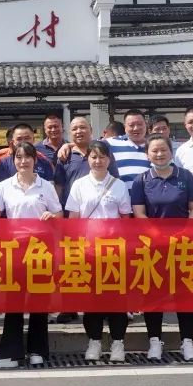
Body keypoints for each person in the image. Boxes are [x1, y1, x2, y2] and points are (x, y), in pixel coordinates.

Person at [0, 142, 62, 369]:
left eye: (28, 157)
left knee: (39, 301)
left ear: (35, 160)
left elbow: (59, 213)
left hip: (40, 249)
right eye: (19, 157)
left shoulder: (45, 186)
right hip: (14, 250)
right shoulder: (4, 186)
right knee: (13, 302)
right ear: (13, 160)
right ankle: (12, 352)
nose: (23, 161)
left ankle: (38, 351)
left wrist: (51, 216)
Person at [130, 134, 193, 362]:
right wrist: (158, 236)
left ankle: (187, 341)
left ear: (171, 152)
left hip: (183, 245)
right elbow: (139, 213)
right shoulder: (141, 180)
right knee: (154, 294)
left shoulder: (186, 177)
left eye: (163, 150)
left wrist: (183, 234)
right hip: (153, 247)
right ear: (147, 154)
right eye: (154, 151)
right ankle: (154, 341)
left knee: (185, 293)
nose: (159, 154)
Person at [65, 140, 132, 362]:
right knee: (91, 300)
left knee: (116, 299)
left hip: (114, 251)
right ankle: (94, 341)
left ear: (109, 160)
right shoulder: (79, 185)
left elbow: (125, 218)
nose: (98, 161)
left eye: (102, 157)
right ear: (88, 159)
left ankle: (118, 343)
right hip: (88, 251)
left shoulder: (119, 185)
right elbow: (73, 219)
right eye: (93, 157)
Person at [0, 123, 65, 198]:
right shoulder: (4, 164)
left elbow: (50, 191)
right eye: (19, 139)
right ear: (13, 142)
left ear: (33, 140)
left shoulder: (45, 162)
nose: (23, 142)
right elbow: (3, 192)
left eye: (27, 138)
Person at [106, 109, 152, 186]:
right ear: (125, 127)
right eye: (131, 125)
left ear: (146, 125)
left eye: (140, 124)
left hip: (147, 193)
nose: (136, 128)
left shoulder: (154, 146)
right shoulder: (110, 144)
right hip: (120, 193)